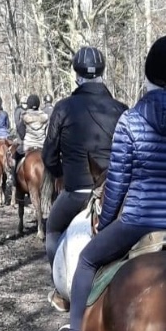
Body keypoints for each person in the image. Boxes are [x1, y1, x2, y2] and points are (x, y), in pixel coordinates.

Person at [51, 34, 166, 331]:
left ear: (149, 72)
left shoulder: (132, 121)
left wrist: (109, 219)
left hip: (137, 221)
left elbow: (117, 182)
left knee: (86, 260)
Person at [42, 47, 128, 312]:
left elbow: (48, 157)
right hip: (116, 192)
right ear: (102, 73)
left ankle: (62, 290)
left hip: (77, 191)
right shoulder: (121, 109)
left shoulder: (63, 108)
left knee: (53, 230)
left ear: (76, 74)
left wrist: (59, 173)